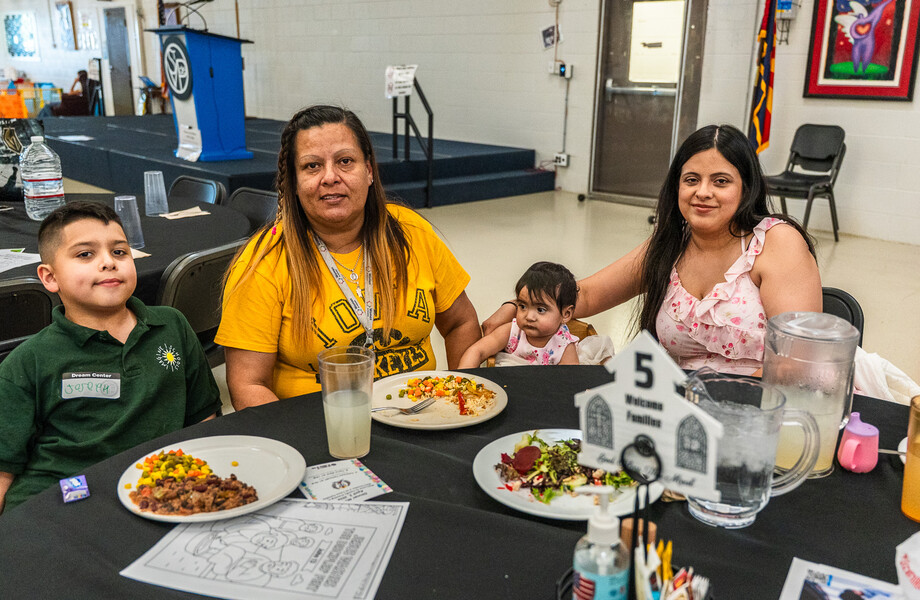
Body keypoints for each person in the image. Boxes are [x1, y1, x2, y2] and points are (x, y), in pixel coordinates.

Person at [483, 124, 822, 375]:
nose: (703, 192)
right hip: (679, 408)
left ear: (746, 188)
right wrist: (516, 305)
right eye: (691, 180)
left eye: (721, 181)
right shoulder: (669, 247)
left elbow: (795, 363)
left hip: (764, 409)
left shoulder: (776, 243)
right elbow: (582, 296)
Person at [216, 105, 481, 409]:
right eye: (312, 166)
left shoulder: (411, 231)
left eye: (345, 161)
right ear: (293, 182)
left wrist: (462, 407)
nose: (330, 177)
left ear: (369, 171)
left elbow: (461, 322)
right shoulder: (264, 262)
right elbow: (248, 384)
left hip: (420, 418)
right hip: (322, 434)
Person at [0, 202, 220, 514]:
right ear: (50, 278)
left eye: (119, 252)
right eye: (85, 254)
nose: (108, 263)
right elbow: (3, 471)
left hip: (155, 491)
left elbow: (204, 419)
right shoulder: (28, 362)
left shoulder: (171, 325)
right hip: (59, 501)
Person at [459, 261, 579, 368]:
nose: (529, 317)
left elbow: (569, 381)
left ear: (566, 314)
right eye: (523, 306)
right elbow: (477, 351)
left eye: (541, 310)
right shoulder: (512, 332)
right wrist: (464, 378)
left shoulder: (564, 345)